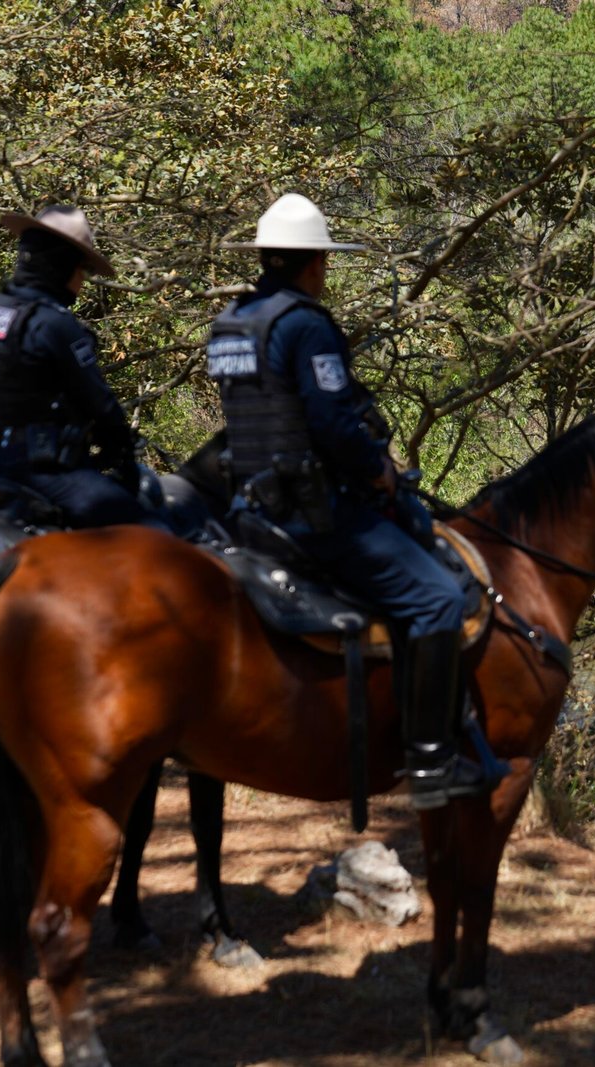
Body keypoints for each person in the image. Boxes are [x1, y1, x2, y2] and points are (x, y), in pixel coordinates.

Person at [209, 193, 498, 810]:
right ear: (314, 262)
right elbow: (333, 424)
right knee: (438, 596)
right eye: (323, 261)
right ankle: (430, 764)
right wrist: (380, 476)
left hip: (248, 510)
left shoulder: (231, 321)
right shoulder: (305, 325)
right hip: (313, 513)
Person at [0, 205, 152, 527]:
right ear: (62, 265)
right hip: (51, 472)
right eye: (82, 269)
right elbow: (98, 399)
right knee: (146, 532)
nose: (82, 281)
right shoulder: (53, 323)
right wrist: (120, 444)